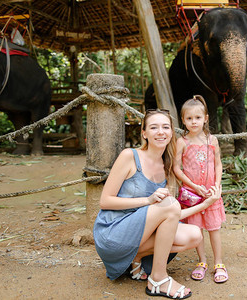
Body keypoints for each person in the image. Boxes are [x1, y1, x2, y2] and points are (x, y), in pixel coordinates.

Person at [93, 108, 221, 299]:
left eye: (165, 127)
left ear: (171, 132)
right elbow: (105, 201)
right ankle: (158, 279)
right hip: (113, 234)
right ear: (144, 133)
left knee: (194, 235)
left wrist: (206, 204)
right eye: (154, 127)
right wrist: (148, 200)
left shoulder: (167, 167)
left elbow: (172, 213)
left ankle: (136, 258)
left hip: (139, 235)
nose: (160, 132)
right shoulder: (130, 156)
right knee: (170, 204)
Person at [173, 95, 228, 283]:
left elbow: (219, 164)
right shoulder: (182, 142)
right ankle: (202, 261)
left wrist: (217, 185)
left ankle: (219, 263)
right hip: (193, 195)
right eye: (189, 118)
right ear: (183, 120)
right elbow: (175, 168)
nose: (193, 122)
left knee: (214, 228)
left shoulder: (212, 140)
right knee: (197, 230)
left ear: (205, 118)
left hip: (212, 194)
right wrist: (194, 186)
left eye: (197, 118)